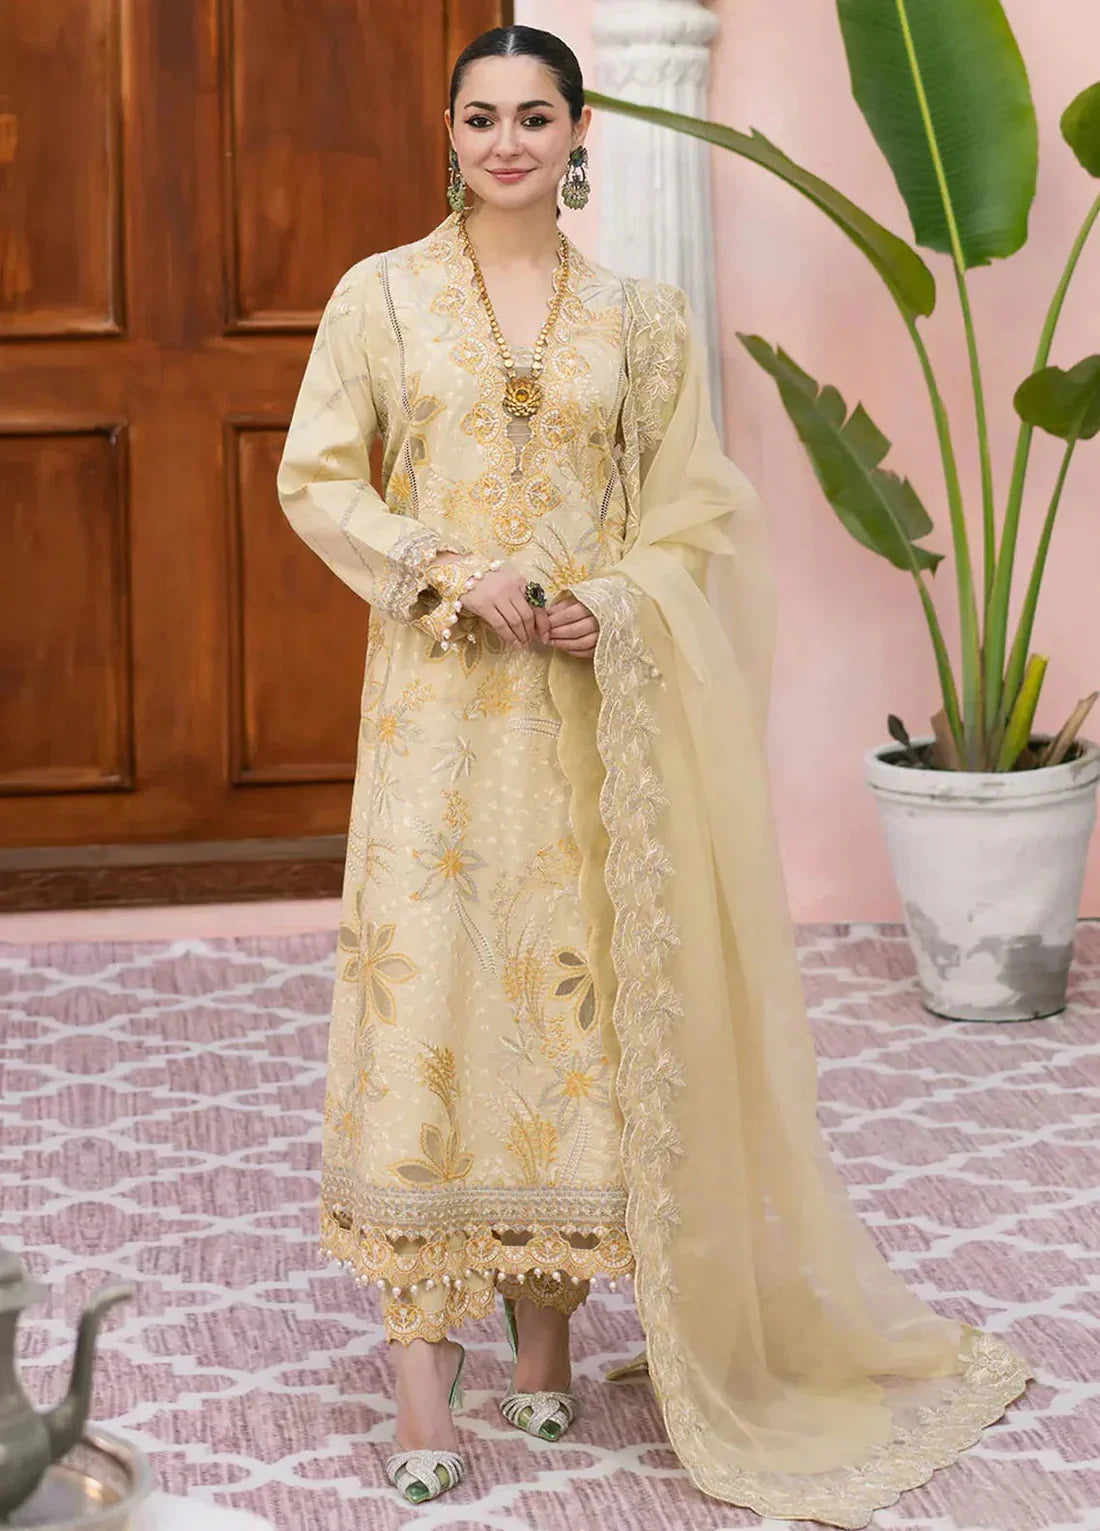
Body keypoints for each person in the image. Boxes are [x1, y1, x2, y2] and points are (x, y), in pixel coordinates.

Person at [277, 23, 1033, 1524]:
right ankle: (422, 1372)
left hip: (575, 719)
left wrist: (606, 602)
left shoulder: (637, 321)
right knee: (423, 999)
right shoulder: (382, 298)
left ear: (576, 136)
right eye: (482, 116)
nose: (508, 141)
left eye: (536, 115)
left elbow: (696, 521)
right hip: (434, 721)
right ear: (450, 133)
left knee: (571, 1005)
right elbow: (318, 477)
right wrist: (441, 566)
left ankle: (545, 1332)